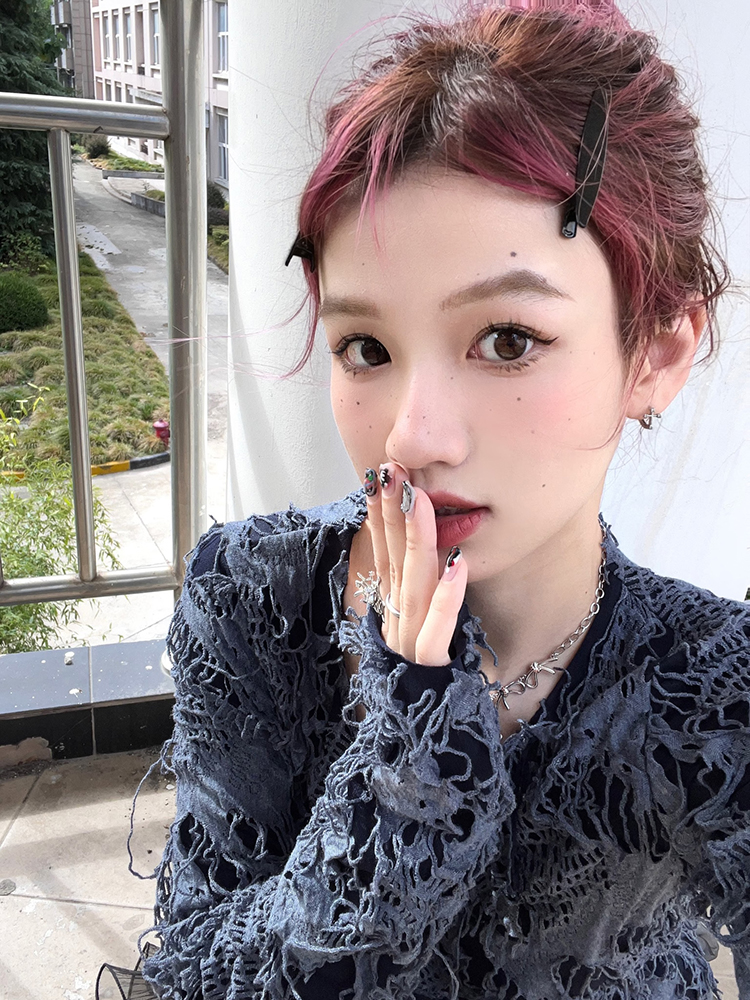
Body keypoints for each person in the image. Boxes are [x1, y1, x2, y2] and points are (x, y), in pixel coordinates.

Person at [110, 3, 750, 998]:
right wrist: (410, 759)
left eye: (506, 339)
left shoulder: (712, 685)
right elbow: (199, 967)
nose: (410, 438)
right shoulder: (255, 595)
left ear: (656, 353)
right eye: (366, 347)